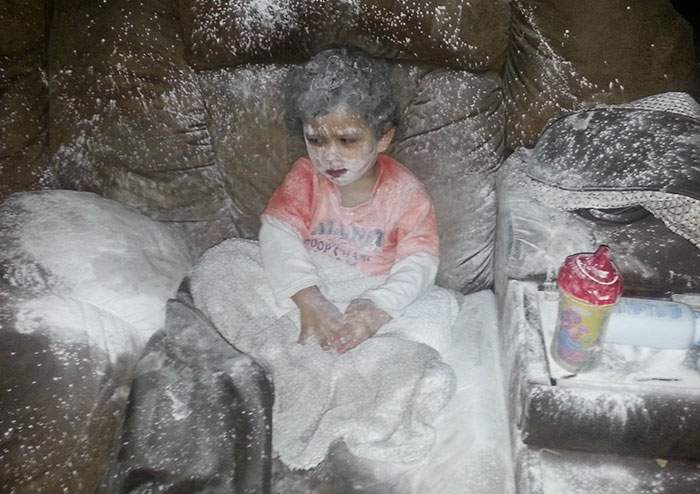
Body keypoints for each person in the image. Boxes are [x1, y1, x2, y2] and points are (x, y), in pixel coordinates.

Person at [259, 47, 441, 354]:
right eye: (316, 140)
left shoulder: (407, 193)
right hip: (304, 284)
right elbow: (279, 234)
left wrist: (376, 309)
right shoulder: (305, 175)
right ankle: (290, 349)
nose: (330, 156)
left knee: (434, 313)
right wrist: (309, 298)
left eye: (347, 140)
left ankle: (358, 356)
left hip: (369, 291)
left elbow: (419, 262)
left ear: (383, 137)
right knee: (224, 264)